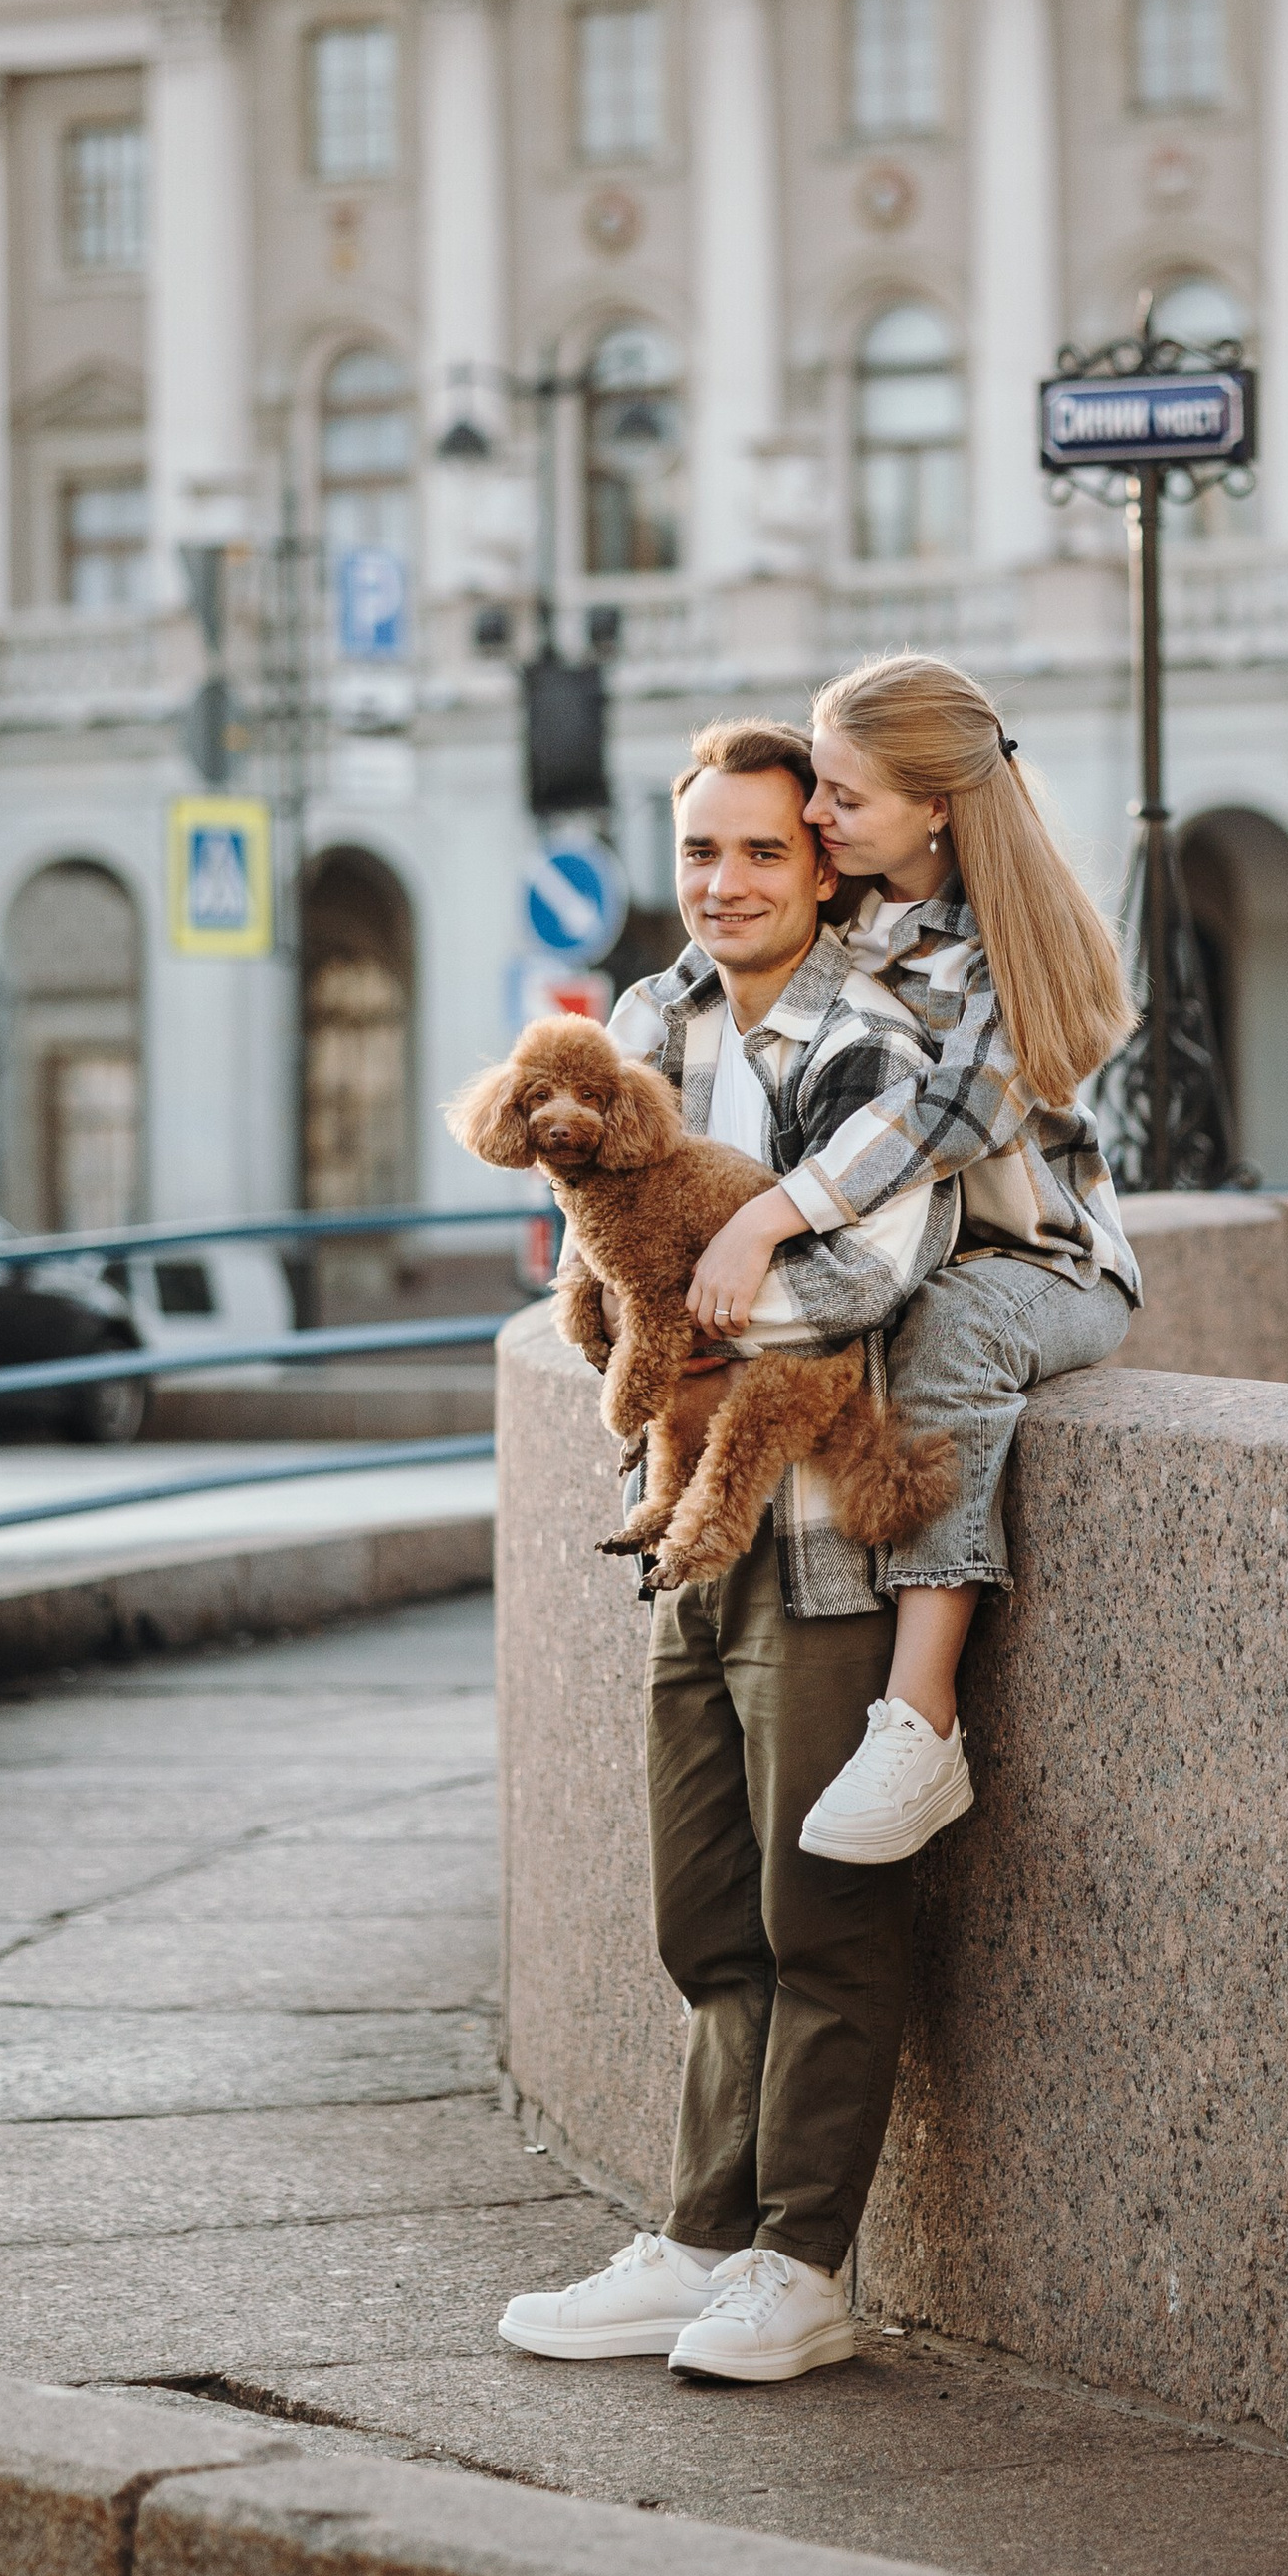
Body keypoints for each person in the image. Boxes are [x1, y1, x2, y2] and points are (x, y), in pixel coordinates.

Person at [497, 719, 959, 2387]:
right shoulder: (642, 1023)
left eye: (763, 849)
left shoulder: (881, 1034)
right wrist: (667, 1325)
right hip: (681, 1511)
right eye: (702, 851)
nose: (728, 881)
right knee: (703, 1906)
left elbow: (872, 1278)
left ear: (820, 861)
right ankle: (696, 2232)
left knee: (819, 1904)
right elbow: (596, 1263)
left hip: (823, 1524)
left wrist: (688, 1298)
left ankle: (801, 2264)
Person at [681, 654, 1139, 1871]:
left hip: (1040, 1264)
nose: (815, 817)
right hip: (897, 1249)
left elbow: (944, 1119)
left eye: (842, 797)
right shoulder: (846, 905)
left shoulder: (1005, 946)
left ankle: (919, 1717)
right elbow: (705, 982)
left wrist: (768, 1215)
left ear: (935, 805)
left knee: (948, 1328)